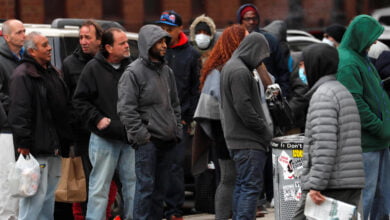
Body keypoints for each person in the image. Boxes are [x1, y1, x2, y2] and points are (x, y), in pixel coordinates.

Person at [117, 24, 182, 220]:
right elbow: (126, 109)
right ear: (148, 44)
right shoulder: (133, 73)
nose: (164, 46)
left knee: (159, 193)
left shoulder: (166, 71)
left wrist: (177, 130)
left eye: (165, 42)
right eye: (160, 42)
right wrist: (142, 136)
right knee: (145, 190)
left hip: (168, 141)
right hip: (148, 143)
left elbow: (175, 104)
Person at [292, 43, 365, 220]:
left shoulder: (323, 96)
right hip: (345, 181)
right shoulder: (341, 91)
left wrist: (316, 184)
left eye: (304, 65)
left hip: (331, 184)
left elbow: (324, 146)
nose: (302, 70)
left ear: (315, 64)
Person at [8, 31, 73, 220]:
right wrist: (24, 144)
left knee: (48, 196)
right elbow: (19, 112)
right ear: (32, 51)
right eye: (44, 45)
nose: (49, 47)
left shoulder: (51, 72)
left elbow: (62, 106)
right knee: (33, 197)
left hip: (54, 147)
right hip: (36, 148)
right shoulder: (23, 76)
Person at [72, 27, 135, 220]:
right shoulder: (93, 68)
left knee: (133, 185)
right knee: (99, 187)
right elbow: (79, 100)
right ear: (108, 47)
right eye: (122, 43)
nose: (127, 46)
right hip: (104, 139)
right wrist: (97, 118)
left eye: (127, 42)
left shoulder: (131, 67)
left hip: (129, 137)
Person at [61, 20, 118, 220]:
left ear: (99, 40)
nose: (83, 41)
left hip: (112, 132)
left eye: (88, 37)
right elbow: (69, 100)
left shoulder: (110, 61)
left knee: (113, 180)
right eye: (81, 37)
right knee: (88, 182)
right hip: (84, 134)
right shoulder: (70, 64)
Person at [337, 15, 390, 220]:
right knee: (365, 198)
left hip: (379, 141)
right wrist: (378, 127)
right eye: (372, 37)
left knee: (381, 195)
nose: (375, 42)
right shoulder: (348, 62)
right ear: (360, 36)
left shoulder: (360, 57)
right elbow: (354, 103)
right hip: (366, 143)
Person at [192, 24, 247, 219]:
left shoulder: (228, 68)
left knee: (233, 179)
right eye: (245, 38)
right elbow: (212, 109)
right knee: (230, 179)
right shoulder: (219, 72)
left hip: (229, 133)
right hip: (226, 134)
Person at [220, 32, 273, 220]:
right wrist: (265, 131)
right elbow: (244, 109)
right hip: (248, 141)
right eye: (261, 55)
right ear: (253, 50)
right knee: (250, 188)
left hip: (240, 141)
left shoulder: (233, 67)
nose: (261, 61)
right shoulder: (239, 71)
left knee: (243, 186)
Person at [156, 10, 201, 219]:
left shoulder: (191, 54)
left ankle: (174, 209)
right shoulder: (156, 50)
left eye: (169, 29)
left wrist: (188, 117)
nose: (165, 33)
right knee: (156, 165)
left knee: (175, 166)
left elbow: (194, 89)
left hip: (179, 118)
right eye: (162, 28)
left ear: (179, 29)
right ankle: (158, 207)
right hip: (157, 118)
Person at [0, 18, 25, 220]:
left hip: (20, 129)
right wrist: (10, 116)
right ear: (6, 36)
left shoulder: (22, 58)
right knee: (7, 181)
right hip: (6, 131)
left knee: (21, 180)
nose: (24, 35)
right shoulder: (1, 60)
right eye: (19, 32)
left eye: (24, 31)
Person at [236, 3, 290, 97]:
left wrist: (282, 95)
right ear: (240, 21)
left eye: (255, 18)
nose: (252, 22)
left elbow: (283, 72)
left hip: (270, 97)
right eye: (247, 19)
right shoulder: (235, 42)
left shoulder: (270, 41)